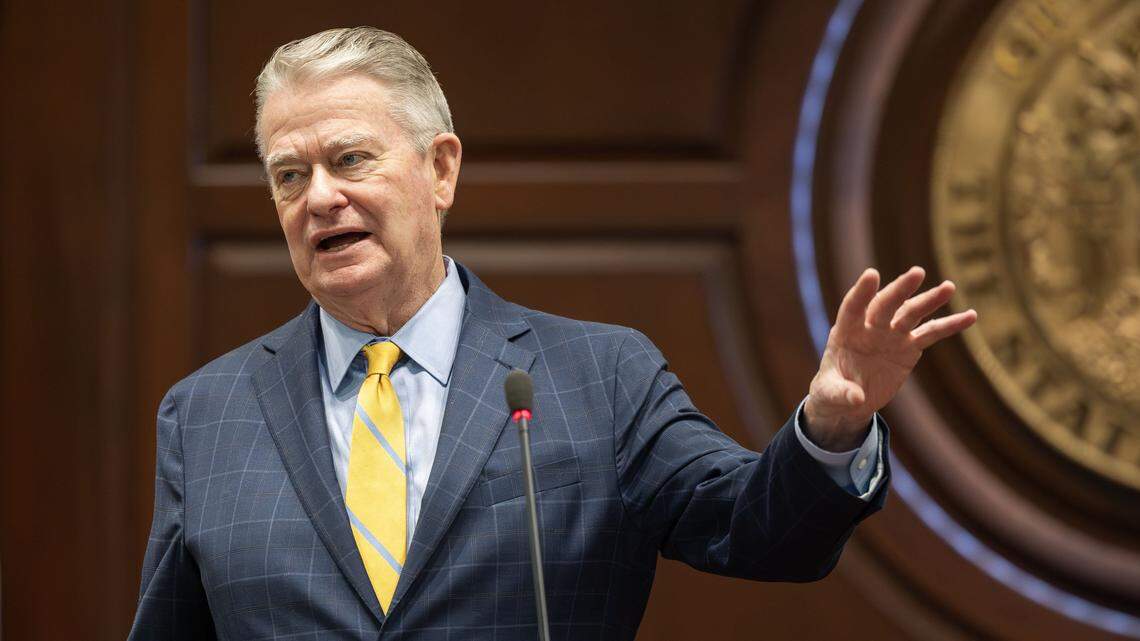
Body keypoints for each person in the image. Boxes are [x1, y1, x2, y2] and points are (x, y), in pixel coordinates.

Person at [127, 27, 977, 640]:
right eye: (289, 174)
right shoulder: (205, 414)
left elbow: (758, 531)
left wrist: (831, 424)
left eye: (350, 159)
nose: (318, 197)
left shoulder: (596, 376)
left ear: (441, 169)